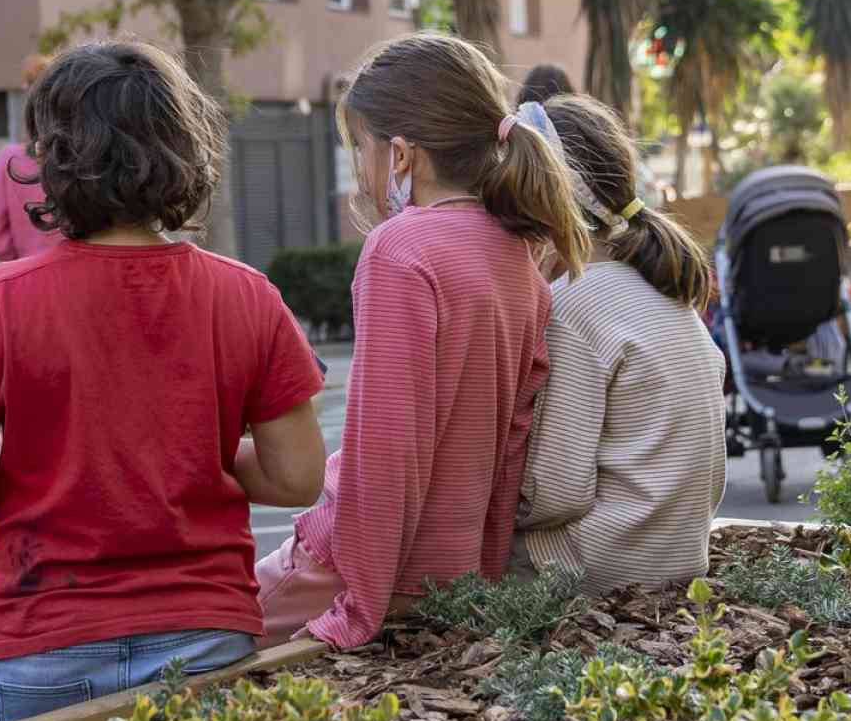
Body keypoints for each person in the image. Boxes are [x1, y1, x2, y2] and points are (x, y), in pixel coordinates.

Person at [0, 41, 329, 721]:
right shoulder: (247, 297)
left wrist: (59, 456)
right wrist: (189, 450)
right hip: (205, 633)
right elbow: (297, 478)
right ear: (184, 151)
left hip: (44, 640)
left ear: (51, 156)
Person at [256, 33, 590, 650]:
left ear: (403, 156)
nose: (359, 170)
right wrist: (479, 577)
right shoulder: (519, 256)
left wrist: (360, 605)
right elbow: (509, 446)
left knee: (200, 646)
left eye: (360, 147)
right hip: (451, 574)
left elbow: (386, 450)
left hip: (355, 571)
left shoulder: (401, 251)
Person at [514, 93, 727, 595]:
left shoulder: (573, 308)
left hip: (600, 565)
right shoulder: (665, 292)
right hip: (680, 553)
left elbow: (553, 493)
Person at [0, 55, 63, 264]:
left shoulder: (9, 159)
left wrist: (23, 260)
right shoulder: (84, 154)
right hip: (81, 275)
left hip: (27, 275)